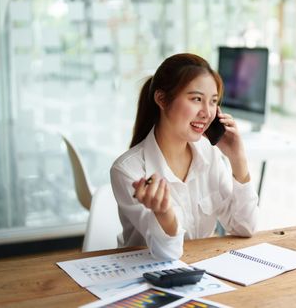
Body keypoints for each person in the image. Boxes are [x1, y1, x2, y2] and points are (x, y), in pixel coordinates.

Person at [110, 53, 258, 260]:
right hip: (146, 278)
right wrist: (164, 215)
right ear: (162, 99)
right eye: (196, 99)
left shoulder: (210, 154)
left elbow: (245, 227)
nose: (207, 113)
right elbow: (167, 255)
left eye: (213, 102)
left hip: (204, 272)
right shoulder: (129, 170)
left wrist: (238, 160)